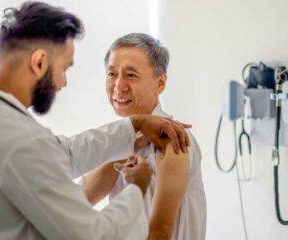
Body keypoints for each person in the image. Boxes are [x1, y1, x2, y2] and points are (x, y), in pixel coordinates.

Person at [0, 3, 191, 240]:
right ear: (39, 62)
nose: (63, 82)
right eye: (64, 68)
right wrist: (137, 186)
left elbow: (64, 152)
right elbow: (94, 234)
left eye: (131, 74)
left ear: (160, 83)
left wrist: (134, 125)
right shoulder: (20, 141)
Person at [83, 33, 207, 240]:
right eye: (112, 74)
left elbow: (160, 233)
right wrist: (128, 143)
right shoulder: (118, 142)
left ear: (160, 83)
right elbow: (75, 203)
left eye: (131, 75)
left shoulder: (174, 139)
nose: (118, 86)